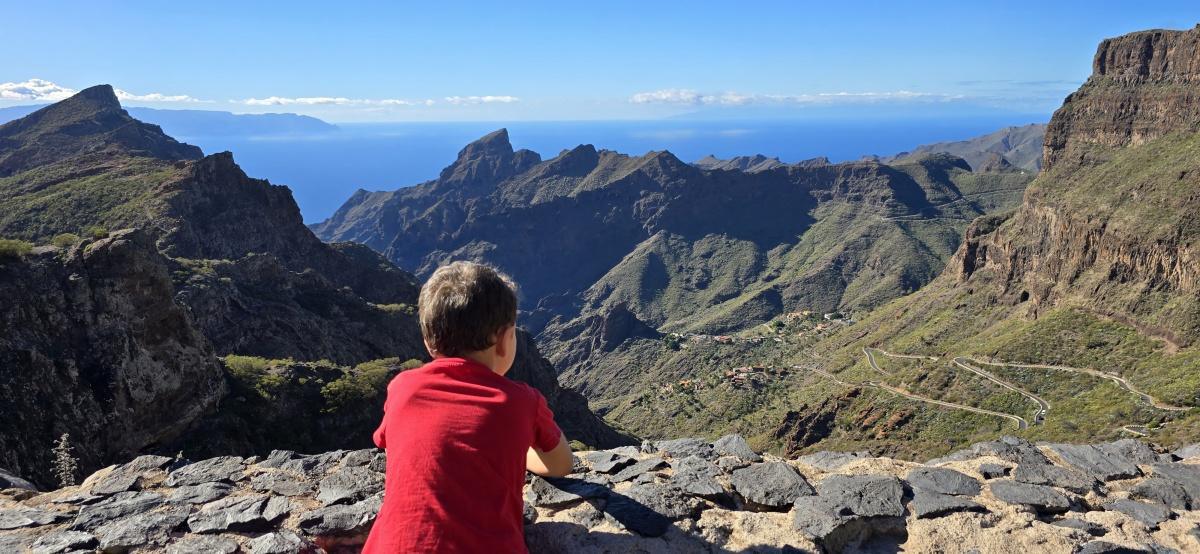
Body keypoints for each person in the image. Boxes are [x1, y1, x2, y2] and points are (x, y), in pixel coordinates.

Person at [363, 261, 573, 553]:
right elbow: (560, 464)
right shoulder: (522, 401)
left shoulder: (402, 388)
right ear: (504, 340)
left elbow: (392, 441)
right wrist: (515, 447)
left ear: (428, 343)